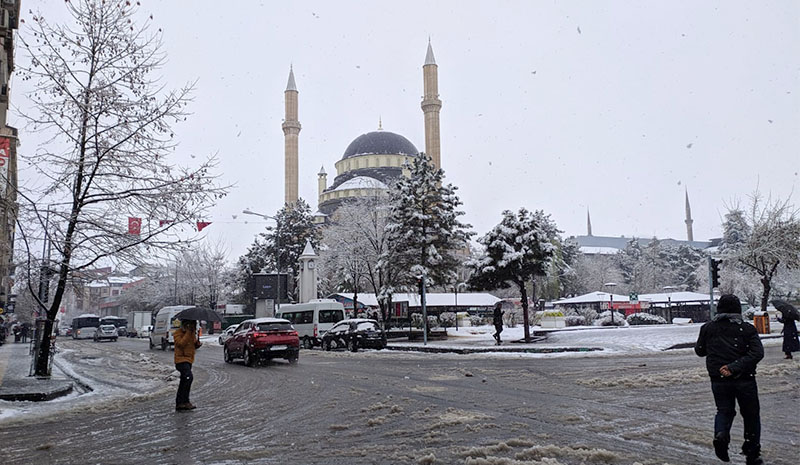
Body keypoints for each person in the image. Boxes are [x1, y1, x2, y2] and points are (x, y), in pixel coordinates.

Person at [695, 294, 764, 465]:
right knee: (750, 414)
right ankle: (752, 451)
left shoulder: (708, 328)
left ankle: (721, 434)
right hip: (744, 379)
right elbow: (757, 353)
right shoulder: (747, 329)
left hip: (718, 379)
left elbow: (700, 350)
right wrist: (734, 367)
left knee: (724, 410)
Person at [173, 319, 202, 411]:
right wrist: (188, 333)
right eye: (190, 325)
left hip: (189, 360)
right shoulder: (178, 333)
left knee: (184, 381)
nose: (192, 327)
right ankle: (183, 401)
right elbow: (181, 344)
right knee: (188, 377)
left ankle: (182, 402)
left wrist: (197, 343)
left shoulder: (192, 333)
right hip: (181, 360)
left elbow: (192, 345)